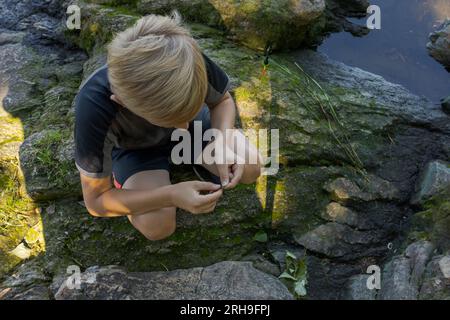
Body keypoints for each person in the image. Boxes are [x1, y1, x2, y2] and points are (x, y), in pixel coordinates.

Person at [74, 12, 262, 241]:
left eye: (184, 116)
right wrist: (170, 195)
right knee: (158, 226)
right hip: (136, 150)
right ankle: (136, 177)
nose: (181, 128)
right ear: (122, 102)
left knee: (250, 166)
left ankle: (197, 157)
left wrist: (220, 141)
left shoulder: (184, 60)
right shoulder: (94, 105)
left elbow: (222, 101)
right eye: (171, 120)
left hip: (196, 131)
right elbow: (96, 201)